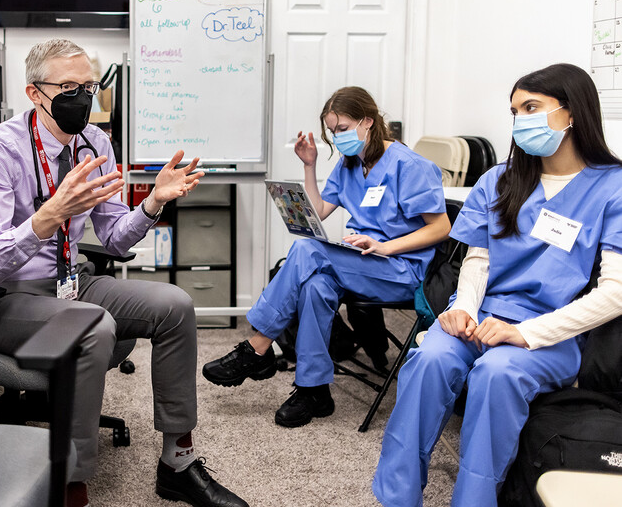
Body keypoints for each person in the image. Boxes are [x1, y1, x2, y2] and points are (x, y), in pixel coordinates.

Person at [0, 38, 248, 507]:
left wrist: (153, 202)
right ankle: (71, 482)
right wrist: (48, 216)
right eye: (68, 87)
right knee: (96, 326)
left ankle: (178, 461)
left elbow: (114, 238)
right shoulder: (0, 147)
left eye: (89, 86)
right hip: (4, 296)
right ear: (35, 93)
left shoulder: (96, 142)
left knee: (174, 305)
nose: (82, 99)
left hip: (71, 281)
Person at [373, 63, 622, 507]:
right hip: (481, 317)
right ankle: (397, 496)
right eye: (514, 111)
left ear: (573, 112)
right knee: (428, 359)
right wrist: (464, 308)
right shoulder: (500, 180)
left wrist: (525, 334)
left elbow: (616, 292)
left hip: (549, 333)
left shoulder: (613, 187)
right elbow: (478, 259)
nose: (520, 120)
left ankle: (475, 500)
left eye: (531, 107)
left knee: (496, 373)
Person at [202, 86, 450, 428]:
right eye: (332, 132)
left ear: (367, 122)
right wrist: (310, 166)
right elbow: (319, 211)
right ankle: (313, 390)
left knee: (307, 249)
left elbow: (441, 228)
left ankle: (257, 346)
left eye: (343, 129)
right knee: (316, 285)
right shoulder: (350, 165)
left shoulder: (409, 165)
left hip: (402, 270)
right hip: (365, 264)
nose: (337, 138)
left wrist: (385, 247)